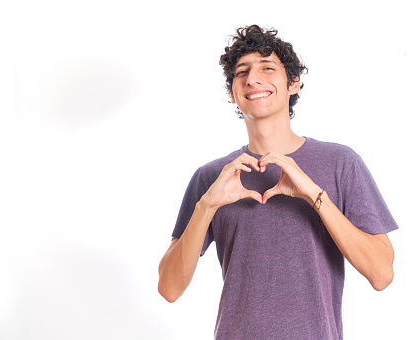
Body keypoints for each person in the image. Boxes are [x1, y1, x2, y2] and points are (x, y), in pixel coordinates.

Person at [158, 25, 398, 340]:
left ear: (293, 83)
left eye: (267, 68)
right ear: (233, 94)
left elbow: (381, 274)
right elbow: (169, 288)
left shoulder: (340, 162)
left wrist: (313, 194)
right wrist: (207, 205)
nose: (253, 79)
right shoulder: (212, 176)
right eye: (241, 73)